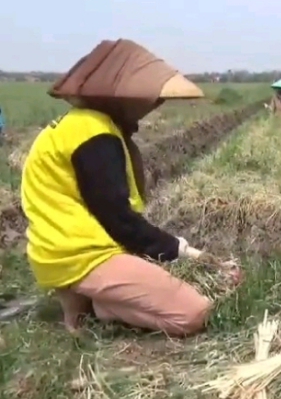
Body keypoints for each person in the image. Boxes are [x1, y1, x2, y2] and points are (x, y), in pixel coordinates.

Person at [20, 39, 214, 337]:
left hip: (56, 251)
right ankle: (103, 307)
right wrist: (181, 250)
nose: (152, 106)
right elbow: (119, 220)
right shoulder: (95, 135)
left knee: (156, 285)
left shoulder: (80, 124)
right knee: (194, 313)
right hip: (84, 254)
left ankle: (87, 305)